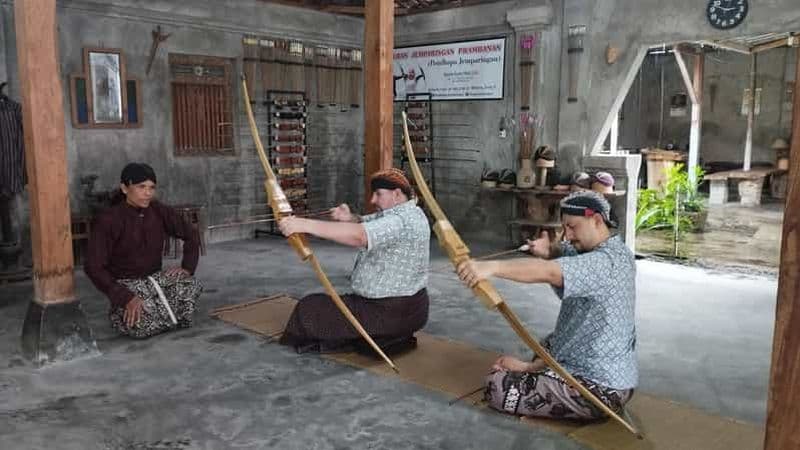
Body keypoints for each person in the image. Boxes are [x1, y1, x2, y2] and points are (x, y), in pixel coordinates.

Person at [456, 191, 636, 421]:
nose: (567, 235)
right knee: (549, 342)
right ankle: (539, 372)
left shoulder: (605, 263)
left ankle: (558, 386)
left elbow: (551, 272)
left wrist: (490, 268)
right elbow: (565, 253)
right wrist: (548, 250)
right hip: (610, 374)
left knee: (497, 387)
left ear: (597, 220)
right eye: (564, 228)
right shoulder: (614, 251)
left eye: (572, 227)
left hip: (598, 389)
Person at [277, 168, 430, 354]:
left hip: (386, 312)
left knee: (309, 309)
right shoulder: (410, 213)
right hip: (411, 309)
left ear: (397, 194)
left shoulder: (400, 221)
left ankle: (379, 335)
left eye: (378, 194)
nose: (373, 200)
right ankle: (388, 336)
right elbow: (367, 223)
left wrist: (303, 224)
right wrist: (348, 218)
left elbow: (360, 236)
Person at [85, 163, 203, 339]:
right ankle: (160, 316)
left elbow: (191, 234)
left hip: (155, 281)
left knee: (190, 285)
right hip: (127, 285)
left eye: (151, 188)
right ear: (125, 188)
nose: (148, 193)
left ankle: (160, 314)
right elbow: (93, 266)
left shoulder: (158, 210)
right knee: (141, 325)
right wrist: (124, 297)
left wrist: (186, 268)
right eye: (141, 187)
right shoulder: (109, 219)